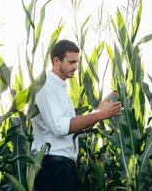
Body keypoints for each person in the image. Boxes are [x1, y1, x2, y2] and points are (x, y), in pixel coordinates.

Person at [32, 39, 121, 191]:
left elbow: (75, 129)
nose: (75, 67)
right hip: (53, 167)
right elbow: (60, 128)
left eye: (77, 62)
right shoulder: (46, 86)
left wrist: (99, 110)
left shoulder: (60, 87)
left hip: (64, 167)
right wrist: (99, 115)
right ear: (56, 61)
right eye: (71, 62)